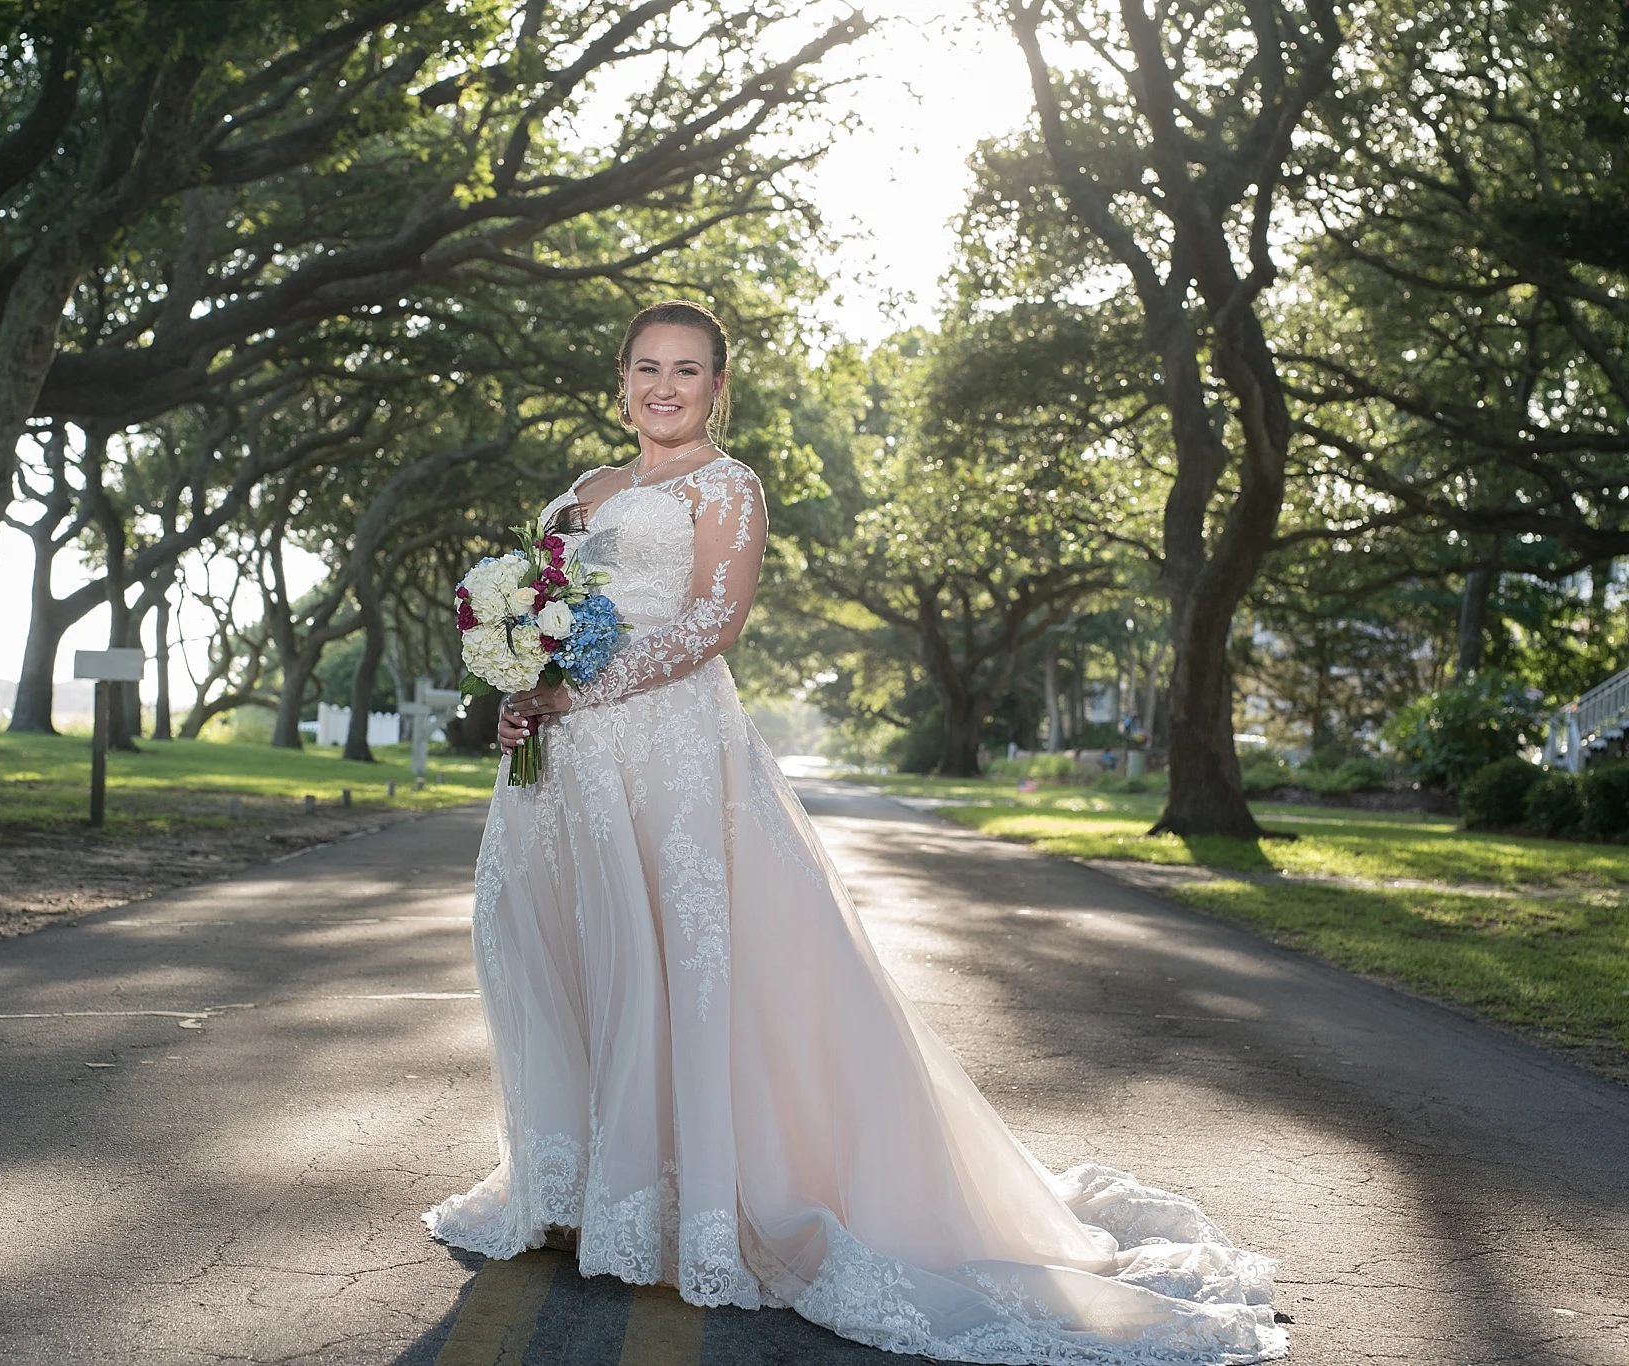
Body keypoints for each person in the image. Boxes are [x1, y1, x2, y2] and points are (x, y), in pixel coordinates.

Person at [424, 300, 1287, 1364]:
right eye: (645, 366)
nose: (663, 386)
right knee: (562, 959)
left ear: (715, 385)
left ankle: (683, 1200)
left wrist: (575, 694)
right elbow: (542, 621)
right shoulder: (582, 492)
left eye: (685, 370)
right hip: (560, 771)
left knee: (676, 968)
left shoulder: (726, 486)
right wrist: (521, 690)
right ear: (620, 377)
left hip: (670, 756)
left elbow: (710, 624)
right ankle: (577, 1187)